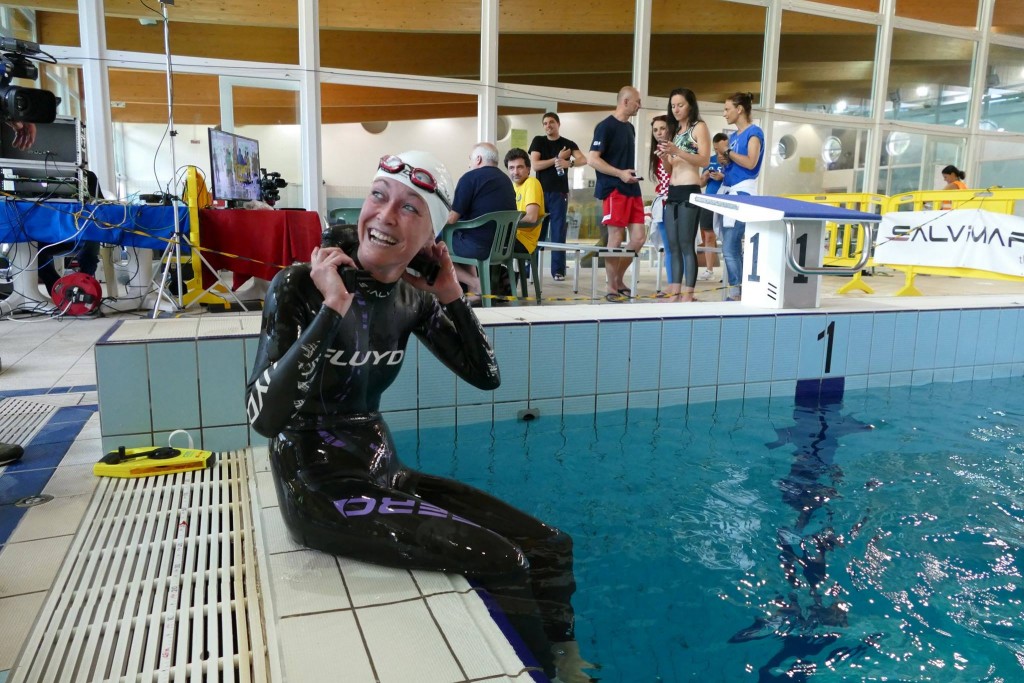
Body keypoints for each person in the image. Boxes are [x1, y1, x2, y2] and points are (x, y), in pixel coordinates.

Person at [245, 151, 589, 682]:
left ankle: (567, 661)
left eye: (409, 208)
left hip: (384, 469)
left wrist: (451, 295)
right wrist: (331, 308)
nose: (385, 216)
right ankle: (536, 673)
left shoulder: (414, 296)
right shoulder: (302, 285)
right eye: (379, 196)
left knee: (548, 545)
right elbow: (264, 418)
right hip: (316, 485)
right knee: (501, 560)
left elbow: (486, 375)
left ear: (430, 236)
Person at [588, 85, 645, 302]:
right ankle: (611, 286)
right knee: (616, 236)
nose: (639, 105)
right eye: (637, 101)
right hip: (614, 190)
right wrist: (619, 174)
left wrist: (626, 175)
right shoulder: (605, 126)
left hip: (632, 187)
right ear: (625, 101)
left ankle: (619, 278)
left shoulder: (629, 128)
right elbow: (593, 158)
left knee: (639, 237)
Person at [656, 88, 711, 302]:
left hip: (690, 189)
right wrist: (663, 157)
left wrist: (677, 152)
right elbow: (670, 170)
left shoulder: (699, 127)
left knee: (687, 242)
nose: (676, 109)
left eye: (680, 105)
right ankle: (675, 290)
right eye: (673, 106)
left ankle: (689, 292)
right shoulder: (675, 132)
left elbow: (704, 160)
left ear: (690, 105)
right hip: (673, 190)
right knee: (673, 243)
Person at [446, 142, 517, 296]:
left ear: (478, 159)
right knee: (461, 237)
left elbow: (451, 219)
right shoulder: (506, 181)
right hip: (503, 248)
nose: (469, 163)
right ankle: (473, 291)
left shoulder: (470, 178)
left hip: (478, 247)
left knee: (433, 247)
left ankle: (476, 284)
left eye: (470, 158)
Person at [528, 112, 587, 281]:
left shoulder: (567, 144)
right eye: (545, 123)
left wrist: (569, 163)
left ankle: (558, 270)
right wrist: (557, 159)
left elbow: (583, 159)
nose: (548, 126)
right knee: (536, 232)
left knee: (558, 232)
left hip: (559, 194)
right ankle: (529, 268)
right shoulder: (538, 141)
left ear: (558, 124)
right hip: (540, 193)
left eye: (551, 122)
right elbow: (535, 165)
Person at [720, 92, 764, 302]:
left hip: (743, 194)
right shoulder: (735, 137)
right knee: (733, 246)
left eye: (727, 109)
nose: (724, 113)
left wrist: (728, 153)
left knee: (730, 246)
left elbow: (751, 163)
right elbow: (737, 163)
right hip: (730, 191)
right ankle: (742, 288)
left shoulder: (754, 133)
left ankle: (737, 291)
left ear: (739, 109)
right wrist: (725, 164)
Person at [696, 132, 729, 282]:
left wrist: (724, 177)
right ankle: (709, 270)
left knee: (728, 237)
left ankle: (729, 271)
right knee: (709, 236)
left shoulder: (733, 161)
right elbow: (701, 183)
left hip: (726, 201)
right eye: (716, 150)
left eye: (721, 149)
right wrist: (705, 177)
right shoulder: (709, 161)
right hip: (709, 200)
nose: (718, 153)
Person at [505, 148, 546, 253]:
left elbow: (531, 218)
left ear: (528, 169)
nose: (515, 172)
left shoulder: (532, 183)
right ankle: (499, 270)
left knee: (482, 242)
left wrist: (505, 224)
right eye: (511, 168)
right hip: (512, 237)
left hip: (524, 241)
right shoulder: (512, 187)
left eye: (520, 167)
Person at [648, 115, 673, 285]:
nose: (659, 133)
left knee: (679, 248)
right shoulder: (657, 153)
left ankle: (680, 288)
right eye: (655, 130)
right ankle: (673, 285)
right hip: (663, 203)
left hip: (677, 202)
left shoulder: (676, 149)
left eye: (662, 128)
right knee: (669, 248)